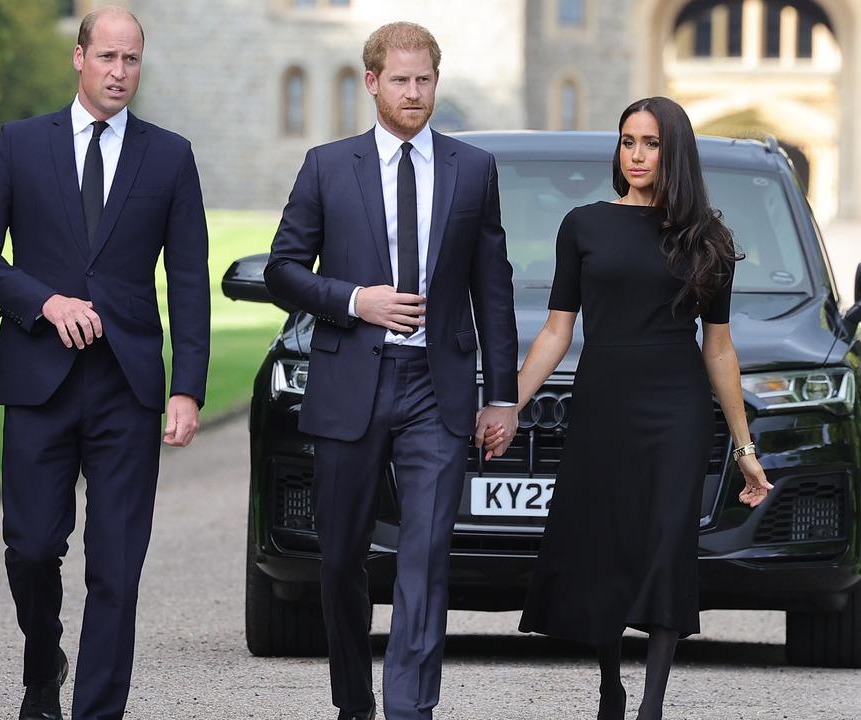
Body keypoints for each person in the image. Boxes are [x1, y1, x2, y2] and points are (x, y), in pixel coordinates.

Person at [0, 7, 209, 720]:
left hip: (127, 388)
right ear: (80, 57)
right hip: (37, 379)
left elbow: (188, 279)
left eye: (132, 60)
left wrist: (187, 387)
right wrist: (43, 302)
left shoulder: (170, 155)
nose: (119, 72)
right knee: (31, 549)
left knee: (116, 567)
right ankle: (43, 660)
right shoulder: (20, 145)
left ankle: (97, 712)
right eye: (107, 58)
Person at [264, 22, 519, 720]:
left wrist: (502, 397)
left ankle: (411, 709)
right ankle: (355, 703)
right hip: (351, 383)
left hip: (435, 392)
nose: (414, 92)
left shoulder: (473, 169)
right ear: (372, 82)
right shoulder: (326, 166)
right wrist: (354, 300)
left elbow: (492, 290)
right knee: (341, 559)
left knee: (426, 557)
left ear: (437, 81)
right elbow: (282, 270)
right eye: (401, 80)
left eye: (425, 80)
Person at [512, 97, 773, 720]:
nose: (635, 155)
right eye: (628, 141)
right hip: (602, 400)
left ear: (673, 152)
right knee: (605, 543)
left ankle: (652, 703)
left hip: (676, 408)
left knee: (665, 543)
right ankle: (610, 686)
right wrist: (509, 403)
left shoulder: (709, 238)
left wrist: (745, 449)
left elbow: (720, 349)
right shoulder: (583, 225)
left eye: (650, 144)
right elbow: (556, 331)